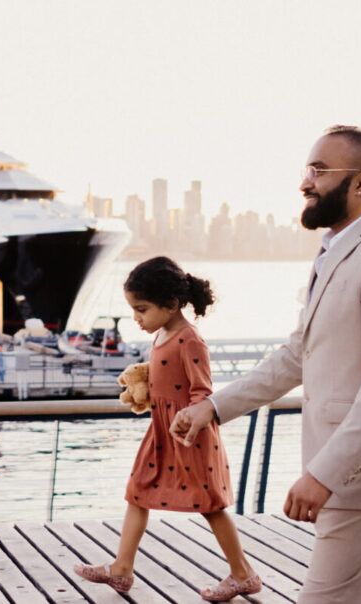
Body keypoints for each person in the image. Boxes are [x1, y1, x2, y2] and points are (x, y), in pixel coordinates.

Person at [171, 125, 361, 602]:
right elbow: (298, 354)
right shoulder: (337, 249)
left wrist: (324, 474)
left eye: (319, 170)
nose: (306, 182)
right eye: (307, 169)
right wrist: (214, 407)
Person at [74, 256, 262, 601]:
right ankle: (121, 569)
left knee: (210, 504)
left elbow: (202, 390)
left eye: (141, 309)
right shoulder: (163, 333)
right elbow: (165, 372)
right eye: (134, 309)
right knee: (137, 491)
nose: (136, 318)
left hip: (188, 435)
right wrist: (145, 380)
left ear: (172, 304)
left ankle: (243, 574)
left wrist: (187, 415)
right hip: (160, 432)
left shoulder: (190, 339)